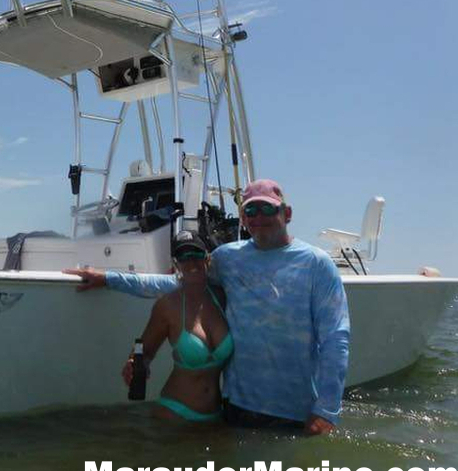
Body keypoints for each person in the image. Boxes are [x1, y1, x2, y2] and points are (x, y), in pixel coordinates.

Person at [65, 179, 350, 435]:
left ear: (286, 214)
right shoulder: (227, 258)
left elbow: (336, 338)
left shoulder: (317, 263)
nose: (259, 218)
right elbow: (183, 282)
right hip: (237, 408)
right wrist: (109, 279)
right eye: (251, 211)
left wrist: (326, 410)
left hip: (296, 413)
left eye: (267, 209)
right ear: (243, 218)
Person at [132, 234, 232, 422]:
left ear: (207, 258)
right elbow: (144, 352)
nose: (191, 262)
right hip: (175, 413)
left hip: (216, 417)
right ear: (176, 264)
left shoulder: (223, 298)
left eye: (196, 254)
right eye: (183, 257)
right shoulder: (167, 305)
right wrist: (137, 365)